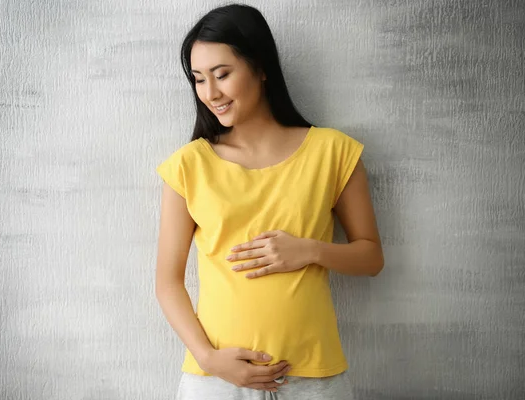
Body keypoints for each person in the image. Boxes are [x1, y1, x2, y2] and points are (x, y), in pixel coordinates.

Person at [155, 4, 384, 399]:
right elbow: (167, 282)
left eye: (222, 75)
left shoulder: (332, 152)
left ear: (261, 68)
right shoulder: (188, 165)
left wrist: (309, 250)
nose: (211, 93)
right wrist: (209, 360)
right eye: (198, 80)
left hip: (313, 381)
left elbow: (371, 258)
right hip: (217, 382)